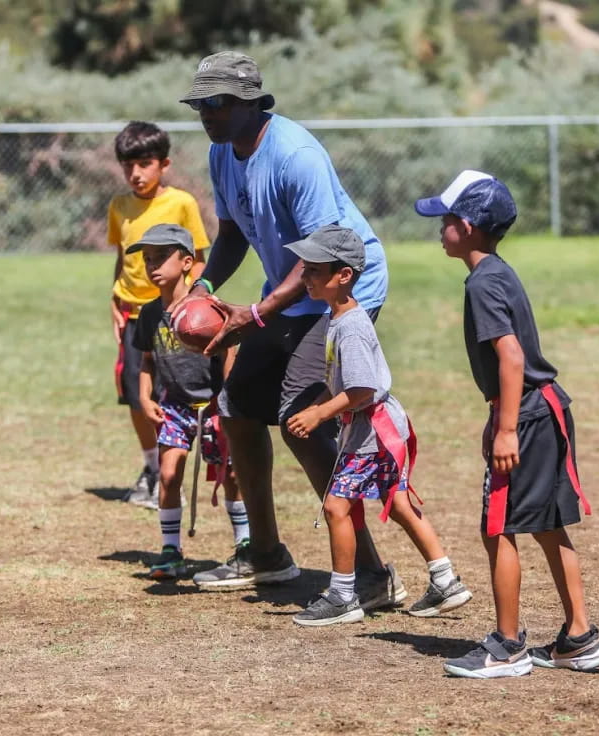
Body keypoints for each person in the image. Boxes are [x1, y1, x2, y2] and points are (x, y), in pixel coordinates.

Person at [176, 51, 404, 612]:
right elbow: (230, 234)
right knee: (238, 408)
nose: (207, 113)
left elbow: (322, 256)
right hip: (288, 292)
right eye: (201, 103)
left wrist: (255, 314)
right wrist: (203, 288)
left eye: (218, 103)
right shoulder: (221, 153)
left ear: (251, 104)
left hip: (340, 289)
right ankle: (268, 556)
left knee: (303, 424)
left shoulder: (295, 156)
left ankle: (372, 575)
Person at [414, 170, 599, 678]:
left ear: (471, 227)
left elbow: (512, 356)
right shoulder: (497, 270)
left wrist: (505, 428)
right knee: (546, 525)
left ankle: (506, 646)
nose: (440, 227)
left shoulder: (483, 282)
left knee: (497, 527)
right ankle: (578, 639)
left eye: (448, 219)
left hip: (527, 414)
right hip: (544, 409)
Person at [283, 226, 472, 626]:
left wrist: (319, 414)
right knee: (399, 503)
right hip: (380, 429)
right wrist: (317, 404)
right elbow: (343, 383)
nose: (307, 277)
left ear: (343, 275)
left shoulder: (349, 326)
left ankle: (343, 596)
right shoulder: (338, 318)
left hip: (371, 432)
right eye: (306, 269)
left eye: (316, 271)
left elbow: (362, 389)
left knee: (336, 507)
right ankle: (445, 579)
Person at [129, 224, 249, 579]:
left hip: (212, 405)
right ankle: (170, 550)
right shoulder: (149, 314)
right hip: (175, 406)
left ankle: (246, 543)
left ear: (187, 262)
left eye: (161, 257)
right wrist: (144, 396)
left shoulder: (207, 309)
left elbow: (230, 351)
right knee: (168, 476)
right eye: (148, 258)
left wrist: (226, 400)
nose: (153, 265)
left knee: (231, 474)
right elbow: (147, 361)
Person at [108, 121, 210, 508]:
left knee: (172, 394)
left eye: (145, 164)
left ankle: (172, 469)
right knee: (136, 395)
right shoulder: (119, 206)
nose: (136, 173)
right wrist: (113, 302)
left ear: (163, 164)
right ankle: (151, 467)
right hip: (133, 315)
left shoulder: (182, 203)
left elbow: (197, 260)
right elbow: (122, 261)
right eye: (128, 166)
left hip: (172, 318)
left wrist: (191, 307)